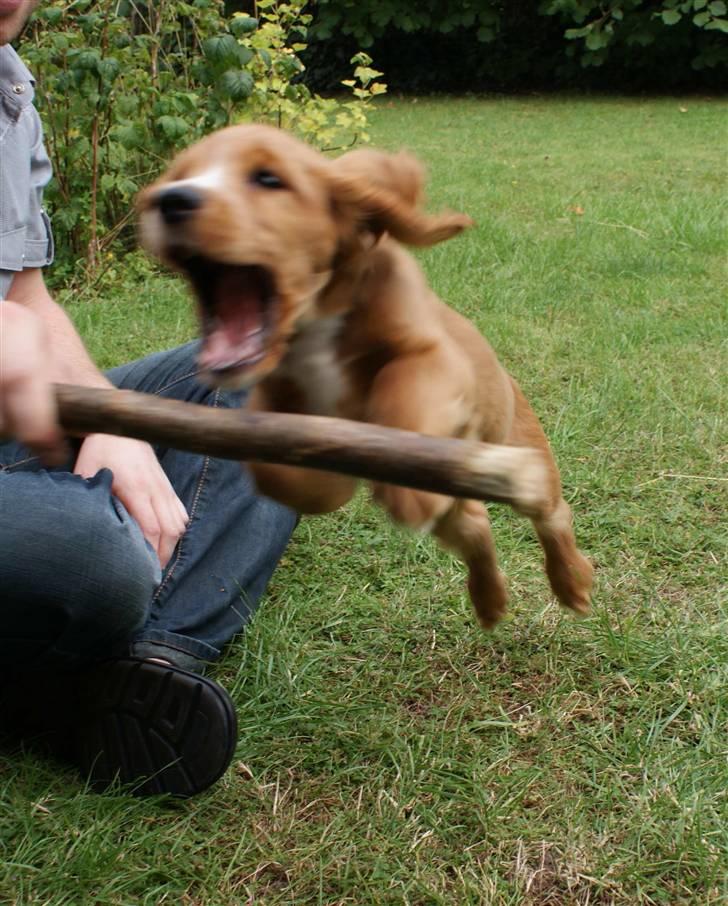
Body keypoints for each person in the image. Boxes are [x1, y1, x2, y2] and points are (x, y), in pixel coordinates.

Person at [0, 1, 297, 796]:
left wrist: (117, 422)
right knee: (93, 557)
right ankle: (58, 693)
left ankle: (152, 665)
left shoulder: (7, 89)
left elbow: (25, 297)